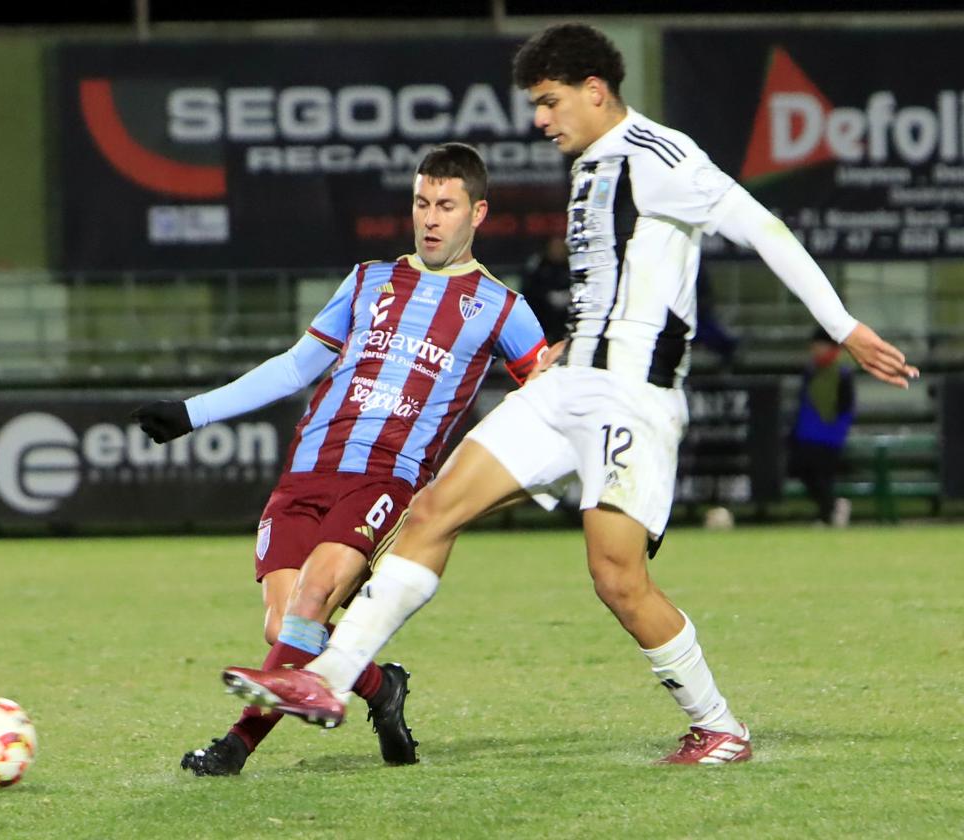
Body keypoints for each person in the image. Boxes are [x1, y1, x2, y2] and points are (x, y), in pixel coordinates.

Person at [221, 23, 919, 766]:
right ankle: (327, 680)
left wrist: (842, 326)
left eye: (549, 102)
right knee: (432, 509)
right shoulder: (589, 164)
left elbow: (764, 227)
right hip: (567, 388)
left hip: (633, 399)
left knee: (617, 577)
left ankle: (719, 727)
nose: (539, 119)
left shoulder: (663, 157)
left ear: (596, 90)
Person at [133, 142, 548, 776]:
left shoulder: (504, 309)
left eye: (446, 205)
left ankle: (233, 748)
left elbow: (551, 404)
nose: (430, 218)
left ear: (478, 213)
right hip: (307, 471)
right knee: (284, 633)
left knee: (311, 602)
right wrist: (194, 412)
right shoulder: (367, 280)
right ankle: (382, 688)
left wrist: (604, 486)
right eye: (421, 203)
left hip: (385, 478)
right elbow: (298, 365)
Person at [789, 326, 856, 526]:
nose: (815, 350)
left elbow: (843, 407)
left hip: (828, 436)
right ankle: (832, 509)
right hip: (808, 435)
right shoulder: (811, 371)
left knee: (820, 476)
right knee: (805, 472)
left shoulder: (842, 373)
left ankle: (828, 513)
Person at [521, 234, 575, 344]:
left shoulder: (573, 265)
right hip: (543, 311)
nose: (558, 251)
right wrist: (547, 296)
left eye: (560, 247)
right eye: (554, 247)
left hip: (568, 309)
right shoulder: (539, 264)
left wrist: (569, 295)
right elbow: (529, 288)